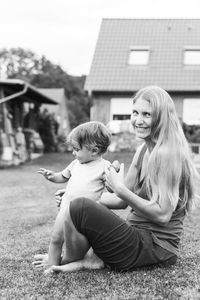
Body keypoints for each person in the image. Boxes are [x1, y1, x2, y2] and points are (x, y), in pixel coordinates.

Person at [33, 86, 199, 274]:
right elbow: (120, 201)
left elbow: (162, 215)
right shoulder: (143, 150)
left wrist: (119, 189)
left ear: (161, 118)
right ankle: (86, 260)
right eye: (135, 112)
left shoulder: (167, 154)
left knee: (79, 207)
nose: (138, 120)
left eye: (147, 114)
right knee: (78, 205)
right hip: (136, 235)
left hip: (156, 247)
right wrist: (79, 195)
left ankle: (69, 261)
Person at [35, 121, 119, 273]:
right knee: (56, 239)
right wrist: (51, 176)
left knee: (91, 241)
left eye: (76, 149)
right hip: (65, 208)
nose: (73, 153)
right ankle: (52, 266)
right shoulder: (75, 164)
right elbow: (62, 176)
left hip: (87, 216)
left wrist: (114, 174)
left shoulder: (104, 167)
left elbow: (111, 188)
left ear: (94, 151)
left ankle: (88, 259)